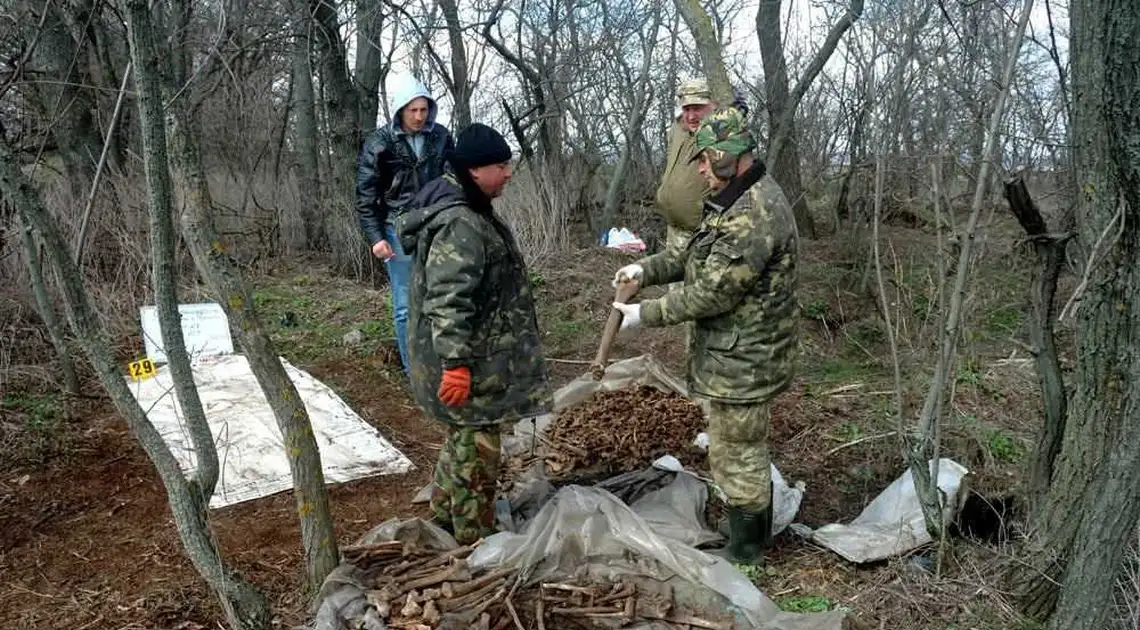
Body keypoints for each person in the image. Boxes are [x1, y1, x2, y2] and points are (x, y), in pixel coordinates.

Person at [610, 108, 799, 566]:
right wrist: (644, 268)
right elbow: (692, 257)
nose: (698, 169)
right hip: (731, 355)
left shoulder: (753, 214)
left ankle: (748, 550)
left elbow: (712, 293)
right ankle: (745, 529)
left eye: (704, 160)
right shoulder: (730, 200)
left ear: (726, 157)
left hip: (746, 360)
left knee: (739, 453)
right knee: (732, 447)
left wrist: (644, 314)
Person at [396, 123, 550, 545]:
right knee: (477, 450)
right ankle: (473, 539)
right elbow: (448, 299)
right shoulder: (460, 222)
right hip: (466, 359)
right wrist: (456, 366)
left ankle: (445, 515)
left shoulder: (470, 208)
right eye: (501, 165)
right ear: (476, 170)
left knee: (462, 437)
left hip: (477, 352)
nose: (509, 173)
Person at [356, 77, 454, 377]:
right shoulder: (380, 142)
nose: (419, 116)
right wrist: (375, 237)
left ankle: (445, 364)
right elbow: (365, 194)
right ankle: (416, 372)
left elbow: (454, 176)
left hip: (437, 225)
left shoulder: (440, 136)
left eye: (424, 109)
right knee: (405, 305)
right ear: (401, 110)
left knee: (444, 297)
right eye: (413, 110)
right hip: (397, 229)